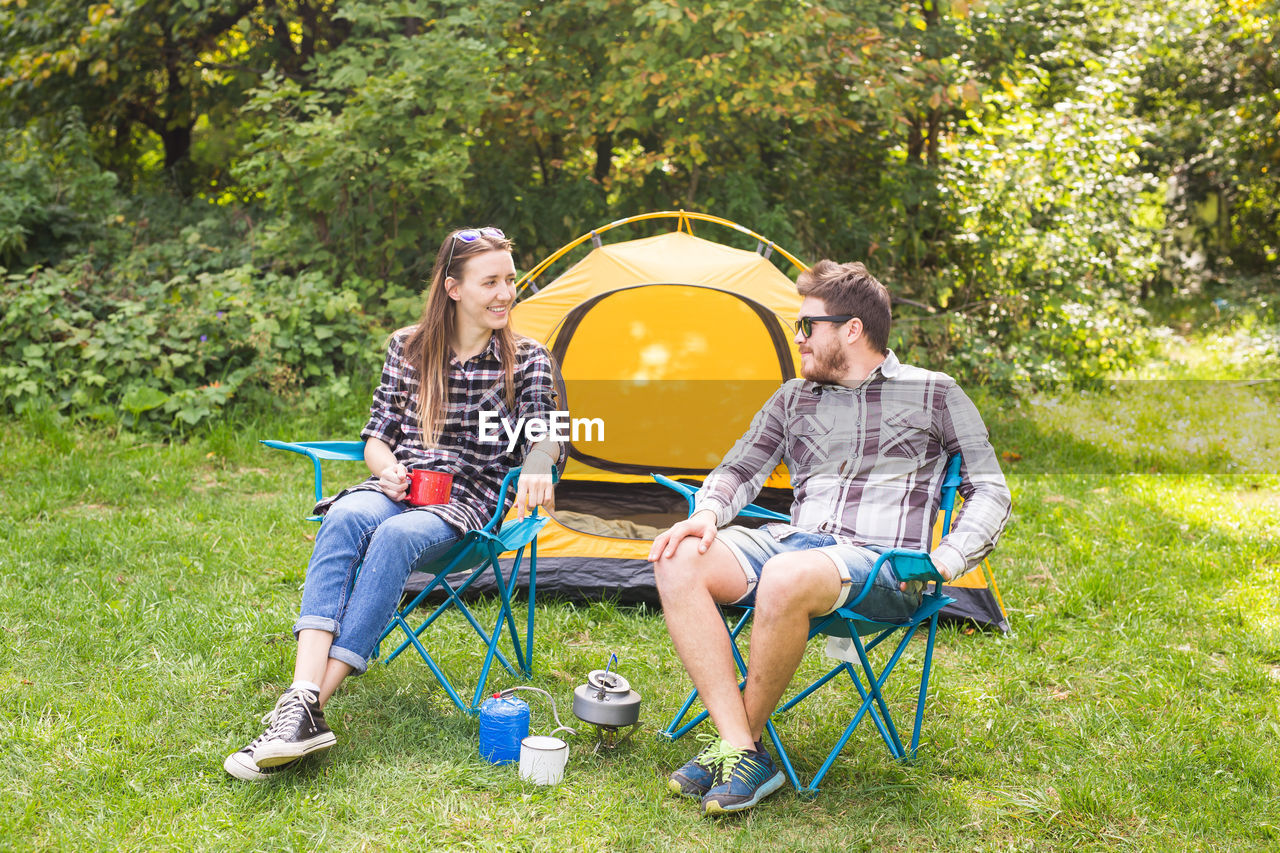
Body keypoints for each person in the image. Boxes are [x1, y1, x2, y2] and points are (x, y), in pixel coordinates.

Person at [648, 260, 1012, 815]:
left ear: (851, 329)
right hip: (794, 545)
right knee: (677, 557)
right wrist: (709, 512)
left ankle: (733, 748)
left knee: (786, 575)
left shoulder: (936, 394)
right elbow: (739, 469)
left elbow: (990, 489)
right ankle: (742, 748)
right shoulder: (795, 397)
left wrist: (947, 558)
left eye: (806, 327)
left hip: (882, 566)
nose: (798, 340)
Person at [225, 227, 563, 781]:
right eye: (491, 282)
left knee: (395, 537)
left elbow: (547, 432)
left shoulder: (527, 360)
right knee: (344, 515)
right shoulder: (407, 347)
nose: (505, 293)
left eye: (509, 280)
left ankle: (305, 712)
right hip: (403, 489)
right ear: (453, 288)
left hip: (468, 502)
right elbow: (377, 435)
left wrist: (538, 462)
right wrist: (388, 470)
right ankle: (302, 695)